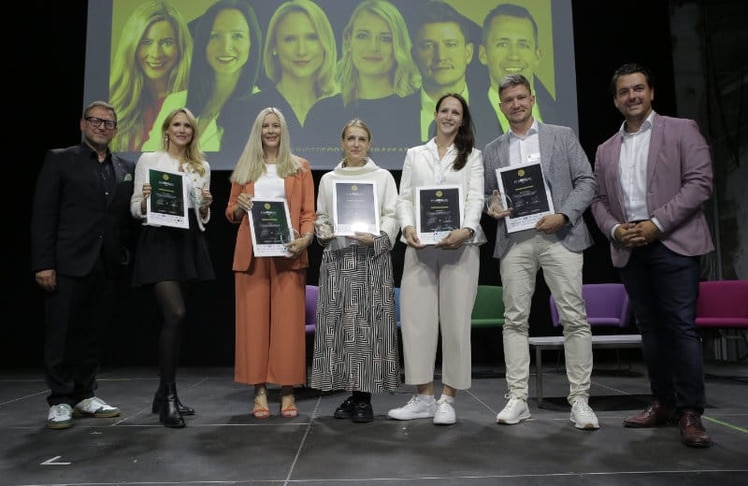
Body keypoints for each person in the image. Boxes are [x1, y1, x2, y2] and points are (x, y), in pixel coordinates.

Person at [590, 63, 714, 448]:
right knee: (651, 332)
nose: (633, 96)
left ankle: (690, 411)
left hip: (672, 243)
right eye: (625, 91)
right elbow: (598, 200)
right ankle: (663, 403)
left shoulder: (681, 130)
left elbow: (699, 183)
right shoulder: (606, 149)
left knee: (680, 328)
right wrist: (614, 229)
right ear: (615, 100)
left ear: (651, 92)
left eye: (639, 88)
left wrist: (656, 224)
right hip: (630, 247)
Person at [483, 74, 599, 430]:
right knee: (514, 319)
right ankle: (517, 398)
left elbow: (586, 181)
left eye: (521, 97)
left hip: (561, 234)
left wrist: (563, 214)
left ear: (532, 99)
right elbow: (491, 195)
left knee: (574, 319)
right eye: (508, 100)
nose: (515, 104)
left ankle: (580, 401)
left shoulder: (561, 136)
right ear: (501, 106)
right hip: (516, 240)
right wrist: (493, 206)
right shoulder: (492, 149)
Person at [31, 100, 134, 430]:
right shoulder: (61, 160)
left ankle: (85, 393)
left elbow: (122, 220)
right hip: (67, 262)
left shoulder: (124, 167)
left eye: (108, 123)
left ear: (116, 129)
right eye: (96, 121)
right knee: (61, 334)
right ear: (83, 124)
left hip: (106, 265)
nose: (102, 127)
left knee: (93, 333)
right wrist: (43, 263)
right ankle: (59, 399)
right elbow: (44, 215)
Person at [388, 93, 486, 426]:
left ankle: (448, 399)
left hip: (460, 248)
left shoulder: (473, 156)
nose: (448, 116)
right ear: (435, 114)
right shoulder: (415, 154)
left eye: (455, 112)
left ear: (462, 119)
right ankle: (424, 397)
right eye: (444, 110)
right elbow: (404, 199)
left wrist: (467, 229)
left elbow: (475, 198)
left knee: (456, 325)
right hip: (419, 248)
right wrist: (408, 226)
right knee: (416, 324)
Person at [226, 107, 315, 419]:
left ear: (283, 130)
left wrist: (305, 238)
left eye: (276, 125)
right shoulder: (246, 166)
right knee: (253, 327)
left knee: (288, 327)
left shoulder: (300, 167)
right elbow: (230, 213)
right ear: (258, 130)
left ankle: (288, 390)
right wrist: (239, 206)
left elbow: (308, 213)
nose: (271, 131)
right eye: (265, 126)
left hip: (287, 254)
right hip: (252, 256)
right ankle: (259, 390)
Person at [310, 119, 401, 423]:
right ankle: (351, 394)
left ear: (370, 144)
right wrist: (324, 232)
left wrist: (378, 237)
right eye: (351, 138)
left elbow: (392, 214)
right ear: (342, 142)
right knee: (341, 330)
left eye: (362, 138)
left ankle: (364, 399)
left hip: (371, 260)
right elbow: (321, 216)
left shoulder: (383, 177)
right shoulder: (329, 179)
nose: (356, 144)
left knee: (368, 330)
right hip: (338, 260)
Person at [130, 107, 216, 428]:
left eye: (188, 126)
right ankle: (166, 397)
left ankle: (165, 392)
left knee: (176, 322)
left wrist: (206, 206)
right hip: (159, 241)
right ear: (166, 129)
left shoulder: (201, 166)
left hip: (189, 243)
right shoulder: (149, 161)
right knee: (175, 313)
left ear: (193, 133)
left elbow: (201, 215)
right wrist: (145, 199)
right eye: (177, 125)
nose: (182, 130)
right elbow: (135, 209)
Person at [143, 0, 263, 152]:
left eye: (237, 36)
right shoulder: (174, 103)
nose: (225, 47)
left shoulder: (262, 108)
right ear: (203, 43)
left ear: (252, 44)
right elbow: (148, 161)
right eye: (215, 36)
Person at [306, 0, 421, 155]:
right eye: (363, 36)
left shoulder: (417, 111)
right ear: (348, 40)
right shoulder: (322, 113)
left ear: (397, 45)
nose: (373, 47)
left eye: (385, 38)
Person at [473, 3, 561, 148]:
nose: (514, 56)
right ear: (483, 54)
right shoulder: (466, 121)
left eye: (523, 45)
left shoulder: (561, 116)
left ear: (537, 56)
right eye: (502, 44)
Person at [109, 0, 192, 152]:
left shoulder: (194, 104)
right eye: (146, 42)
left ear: (180, 47)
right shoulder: (115, 104)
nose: (156, 54)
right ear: (132, 47)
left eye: (167, 42)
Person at [409, 0, 477, 143]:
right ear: (414, 55)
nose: (440, 56)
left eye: (450, 45)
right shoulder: (388, 115)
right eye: (428, 46)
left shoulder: (497, 113)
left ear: (468, 52)